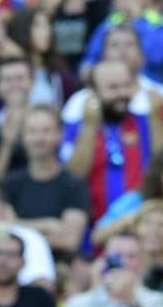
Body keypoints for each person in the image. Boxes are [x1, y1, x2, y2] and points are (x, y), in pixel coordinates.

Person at [62, 60, 157, 220]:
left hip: (139, 226)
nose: (122, 93)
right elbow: (74, 176)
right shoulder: (76, 128)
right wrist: (89, 127)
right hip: (92, 229)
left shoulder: (145, 123)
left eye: (127, 85)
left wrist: (156, 119)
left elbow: (157, 169)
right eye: (113, 87)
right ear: (93, 91)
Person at [3, 105, 90, 254]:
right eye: (32, 131)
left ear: (60, 135)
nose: (39, 138)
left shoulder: (74, 185)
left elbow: (70, 241)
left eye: (46, 131)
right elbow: (3, 230)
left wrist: (19, 228)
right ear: (22, 136)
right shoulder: (9, 184)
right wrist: (48, 225)